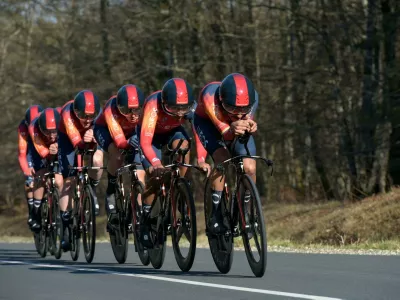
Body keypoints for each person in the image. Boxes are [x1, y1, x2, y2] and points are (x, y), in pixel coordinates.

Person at [193, 73, 258, 234]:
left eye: (243, 109)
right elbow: (227, 135)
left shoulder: (254, 97)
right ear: (222, 101)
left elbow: (244, 122)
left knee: (249, 167)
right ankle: (216, 213)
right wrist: (234, 127)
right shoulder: (210, 97)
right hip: (209, 124)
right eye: (232, 108)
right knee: (222, 158)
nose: (237, 113)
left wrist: (250, 125)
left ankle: (246, 211)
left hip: (231, 125)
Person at [138, 78, 196, 247]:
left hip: (172, 132)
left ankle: (180, 188)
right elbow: (146, 143)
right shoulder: (152, 106)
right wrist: (156, 163)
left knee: (185, 146)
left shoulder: (190, 107)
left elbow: (199, 135)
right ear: (164, 103)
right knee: (155, 177)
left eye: (183, 109)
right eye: (173, 108)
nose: (179, 113)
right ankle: (145, 217)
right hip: (151, 136)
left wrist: (201, 158)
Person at [55, 90, 103, 251]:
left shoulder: (98, 115)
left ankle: (92, 190)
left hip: (90, 137)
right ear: (76, 112)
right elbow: (76, 141)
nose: (88, 120)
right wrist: (85, 140)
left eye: (92, 116)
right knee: (69, 180)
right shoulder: (67, 113)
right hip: (68, 139)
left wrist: (95, 136)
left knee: (97, 159)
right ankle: (66, 225)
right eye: (83, 116)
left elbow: (103, 134)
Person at [94, 84, 146, 224]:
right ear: (119, 107)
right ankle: (111, 189)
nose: (133, 115)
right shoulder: (111, 110)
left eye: (137, 110)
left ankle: (137, 208)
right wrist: (128, 143)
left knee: (140, 170)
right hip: (107, 132)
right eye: (127, 111)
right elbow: (120, 142)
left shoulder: (146, 110)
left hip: (131, 134)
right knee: (117, 155)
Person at [28, 108, 61, 230]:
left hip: (56, 148)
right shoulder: (33, 128)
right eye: (48, 132)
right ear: (42, 128)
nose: (52, 135)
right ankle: (36, 211)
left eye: (54, 132)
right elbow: (42, 152)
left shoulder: (62, 125)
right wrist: (51, 153)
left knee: (61, 176)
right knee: (41, 173)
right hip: (39, 147)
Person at [18, 105, 44, 227]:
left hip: (43, 146)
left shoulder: (46, 122)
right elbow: (22, 153)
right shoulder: (23, 128)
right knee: (31, 179)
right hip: (30, 150)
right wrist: (27, 172)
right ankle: (32, 211)